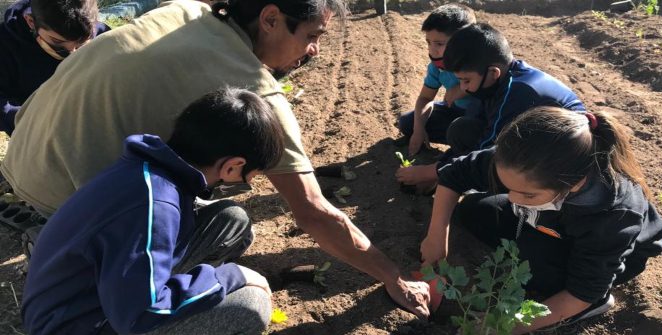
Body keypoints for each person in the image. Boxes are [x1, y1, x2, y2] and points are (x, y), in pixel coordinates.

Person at [1, 0, 431, 317]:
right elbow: (314, 213)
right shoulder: (256, 90)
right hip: (62, 198)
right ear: (270, 18)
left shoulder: (184, 11)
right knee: (226, 228)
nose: (315, 51)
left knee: (221, 212)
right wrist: (393, 275)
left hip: (22, 152)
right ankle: (82, 265)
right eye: (312, 36)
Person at [22, 88, 282, 335]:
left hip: (79, 291)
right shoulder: (156, 205)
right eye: (250, 175)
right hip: (74, 329)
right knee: (251, 308)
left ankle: (159, 307)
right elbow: (139, 313)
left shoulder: (150, 169)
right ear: (232, 166)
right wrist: (229, 276)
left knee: (231, 221)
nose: (249, 184)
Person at [420, 106, 662, 333]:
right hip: (552, 219)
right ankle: (533, 227)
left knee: (535, 260)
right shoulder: (525, 161)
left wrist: (506, 326)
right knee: (475, 209)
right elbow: (454, 175)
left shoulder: (613, 215)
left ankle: (598, 303)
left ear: (574, 184)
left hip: (604, 254)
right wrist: (436, 238)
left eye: (527, 194)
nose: (513, 199)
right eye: (508, 187)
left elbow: (582, 292)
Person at [396, 23, 585, 189]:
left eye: (466, 80)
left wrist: (430, 173)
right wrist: (442, 167)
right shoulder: (498, 80)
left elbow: (488, 150)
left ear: (493, 73)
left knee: (473, 210)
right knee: (462, 129)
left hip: (563, 165)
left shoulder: (517, 92)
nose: (463, 88)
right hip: (536, 148)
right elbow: (480, 131)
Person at [0, 0, 109, 134]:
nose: (72, 53)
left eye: (82, 43)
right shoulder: (5, 44)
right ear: (30, 21)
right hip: (38, 133)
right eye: (57, 42)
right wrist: (40, 122)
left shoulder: (103, 35)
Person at [396, 4, 475, 157]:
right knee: (407, 123)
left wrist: (460, 89)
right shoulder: (436, 67)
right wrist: (419, 130)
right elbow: (425, 98)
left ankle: (464, 150)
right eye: (428, 42)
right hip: (455, 112)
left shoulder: (478, 62)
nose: (432, 51)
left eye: (439, 44)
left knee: (461, 131)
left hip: (479, 118)